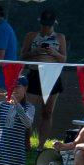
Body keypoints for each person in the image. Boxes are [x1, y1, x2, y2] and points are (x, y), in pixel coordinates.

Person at [21, 9, 68, 147]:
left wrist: (53, 53)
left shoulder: (60, 37)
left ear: (54, 24)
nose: (46, 28)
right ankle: (26, 142)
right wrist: (35, 51)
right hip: (34, 74)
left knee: (47, 112)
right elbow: (22, 56)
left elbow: (64, 59)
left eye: (49, 25)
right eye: (44, 25)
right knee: (28, 110)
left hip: (52, 76)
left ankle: (41, 145)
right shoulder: (31, 36)